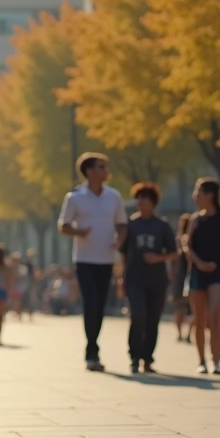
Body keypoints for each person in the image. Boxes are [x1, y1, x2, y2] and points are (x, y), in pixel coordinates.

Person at [58, 152, 128, 372]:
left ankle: (93, 346)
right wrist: (79, 231)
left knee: (100, 306)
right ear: (89, 172)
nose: (106, 171)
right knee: (91, 303)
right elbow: (63, 225)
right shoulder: (75, 197)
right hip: (85, 259)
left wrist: (120, 240)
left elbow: (123, 225)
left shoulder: (114, 197)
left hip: (106, 259)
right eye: (101, 167)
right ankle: (92, 351)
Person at [118, 182, 178, 374]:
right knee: (138, 314)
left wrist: (158, 258)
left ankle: (148, 357)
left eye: (145, 199)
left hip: (156, 280)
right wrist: (120, 278)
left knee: (153, 319)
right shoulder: (131, 225)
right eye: (139, 199)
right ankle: (134, 356)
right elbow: (123, 253)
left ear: (153, 202)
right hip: (134, 278)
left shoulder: (162, 225)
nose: (141, 202)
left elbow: (174, 253)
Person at [183, 178, 220, 375]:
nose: (195, 196)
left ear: (210, 195)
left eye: (198, 192)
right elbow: (187, 246)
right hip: (199, 271)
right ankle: (201, 361)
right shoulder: (195, 219)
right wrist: (199, 263)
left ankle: (216, 361)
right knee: (200, 318)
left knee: (214, 316)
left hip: (217, 271)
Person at [173, 214, 193, 344]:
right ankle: (184, 334)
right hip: (184, 275)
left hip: (183, 275)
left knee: (185, 307)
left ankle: (184, 334)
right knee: (186, 307)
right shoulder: (179, 240)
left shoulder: (188, 239)